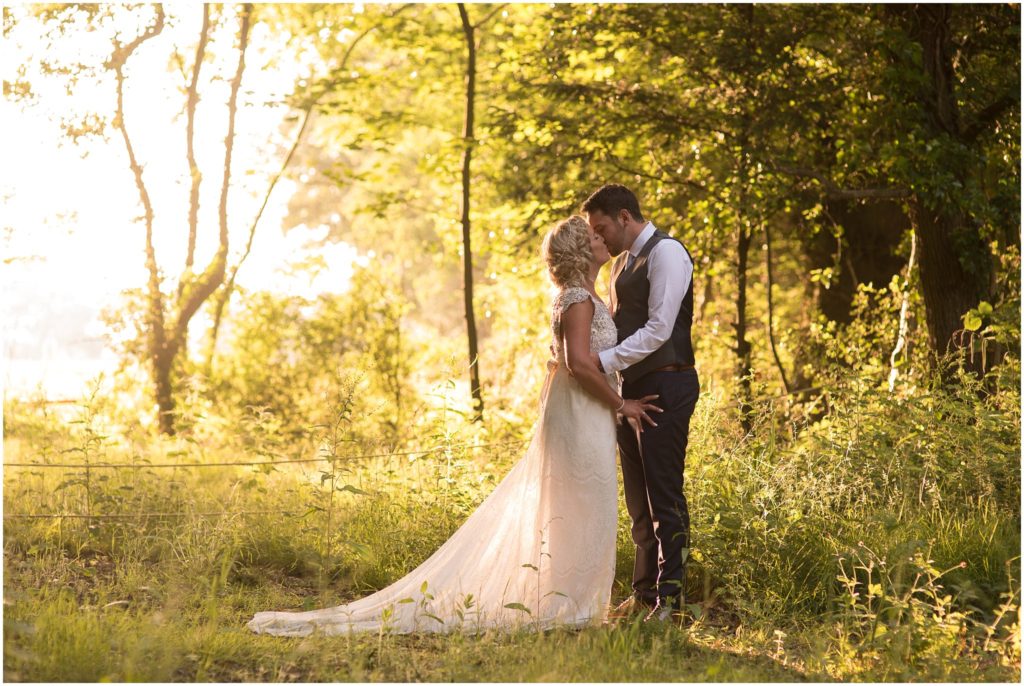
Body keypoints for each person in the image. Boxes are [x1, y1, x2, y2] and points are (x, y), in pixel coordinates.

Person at [247, 216, 660, 636]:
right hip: (581, 412)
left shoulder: (586, 294)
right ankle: (569, 604)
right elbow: (579, 365)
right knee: (582, 501)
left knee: (582, 503)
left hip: (583, 411)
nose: (602, 238)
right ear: (579, 250)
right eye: (592, 235)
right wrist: (622, 404)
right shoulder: (577, 299)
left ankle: (571, 599)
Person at [583, 184, 699, 623]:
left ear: (625, 216)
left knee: (664, 497)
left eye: (602, 227)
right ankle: (644, 594)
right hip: (631, 395)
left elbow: (659, 330)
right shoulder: (621, 266)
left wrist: (599, 361)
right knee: (638, 501)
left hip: (667, 387)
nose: (600, 238)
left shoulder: (667, 253)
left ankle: (671, 602)